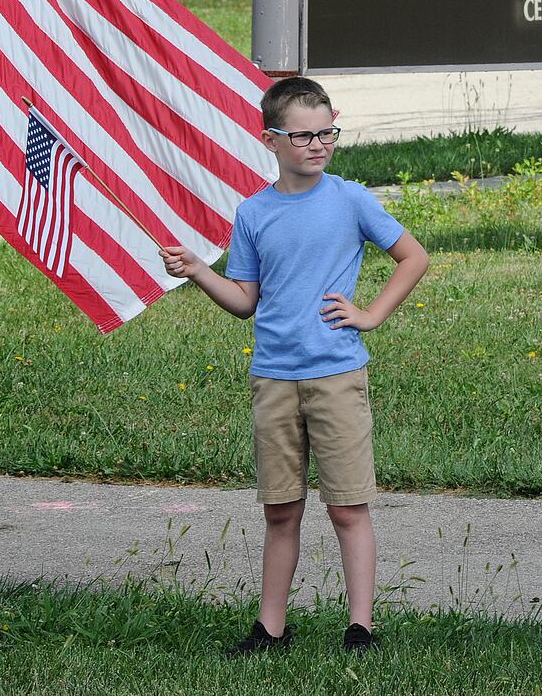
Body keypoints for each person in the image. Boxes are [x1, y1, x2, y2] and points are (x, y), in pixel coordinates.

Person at [160, 77, 429, 655]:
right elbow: (244, 301)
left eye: (326, 132)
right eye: (302, 135)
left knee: (347, 506)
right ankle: (271, 628)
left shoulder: (350, 199)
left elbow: (414, 256)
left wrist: (370, 314)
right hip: (275, 377)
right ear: (271, 140)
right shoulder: (254, 212)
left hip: (336, 374)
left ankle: (360, 627)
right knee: (281, 509)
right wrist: (199, 271)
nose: (317, 145)